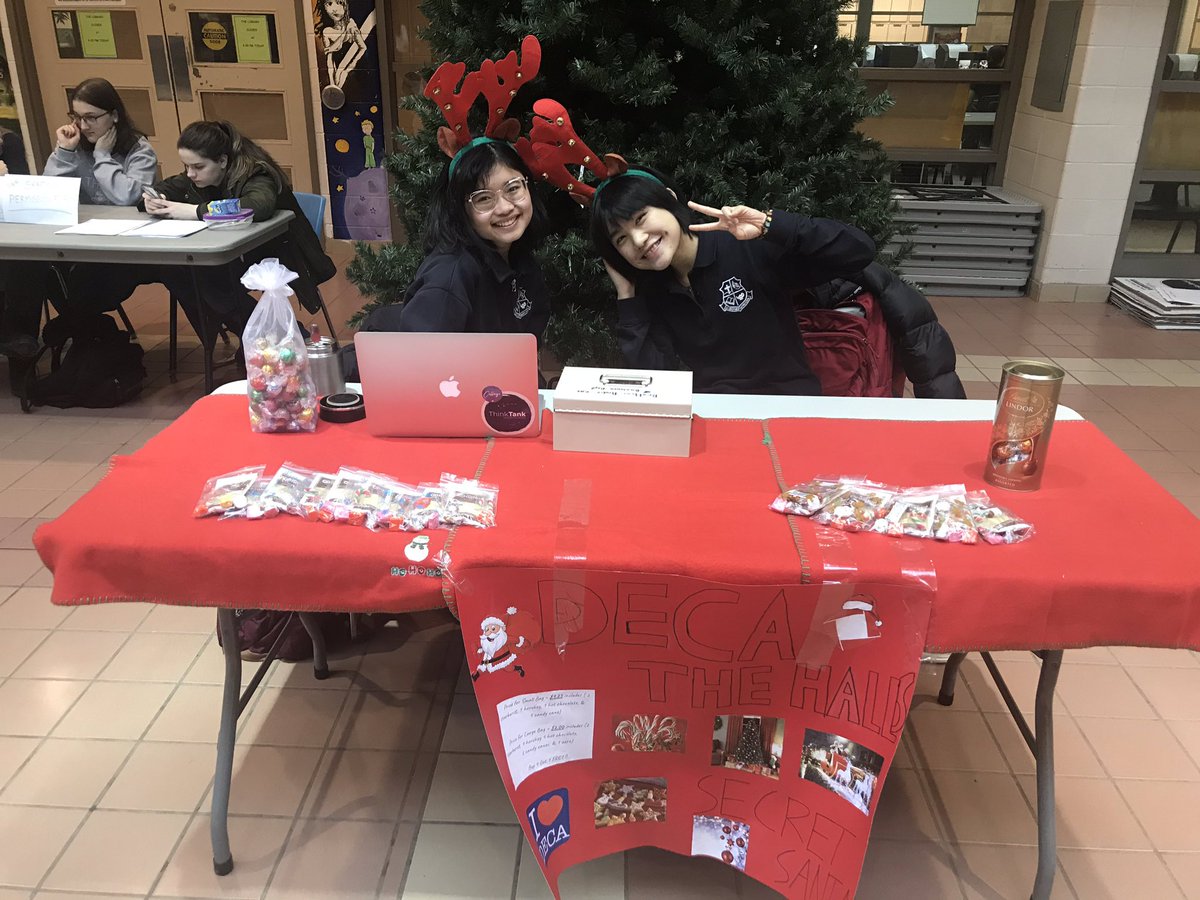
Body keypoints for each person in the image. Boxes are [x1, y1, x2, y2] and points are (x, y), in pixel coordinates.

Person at [590, 168, 876, 395]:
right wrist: (627, 295)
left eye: (641, 218)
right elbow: (654, 380)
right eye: (621, 239)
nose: (638, 240)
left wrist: (770, 225)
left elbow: (858, 251)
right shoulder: (654, 288)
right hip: (712, 417)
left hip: (788, 406)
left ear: (669, 199)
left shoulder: (744, 245)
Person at [345, 139, 550, 377]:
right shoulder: (449, 276)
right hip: (432, 390)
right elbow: (420, 369)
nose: (504, 208)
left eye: (513, 188)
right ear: (460, 209)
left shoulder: (517, 254)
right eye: (484, 198)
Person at [0, 78, 156, 389]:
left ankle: (72, 330)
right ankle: (30, 349)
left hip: (123, 250)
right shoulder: (74, 146)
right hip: (75, 244)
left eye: (90, 117)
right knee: (27, 266)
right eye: (76, 117)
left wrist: (102, 157)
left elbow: (127, 197)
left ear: (113, 115)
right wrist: (64, 151)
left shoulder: (138, 149)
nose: (82, 126)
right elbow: (49, 192)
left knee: (70, 283)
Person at [142, 120, 335, 351]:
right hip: (234, 255)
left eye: (198, 167)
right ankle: (259, 337)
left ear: (222, 160)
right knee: (173, 271)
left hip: (274, 254)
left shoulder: (255, 172)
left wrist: (195, 211)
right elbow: (165, 188)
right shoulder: (197, 176)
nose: (190, 174)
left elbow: (257, 206)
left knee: (208, 279)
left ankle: (278, 337)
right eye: (186, 166)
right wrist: (153, 199)